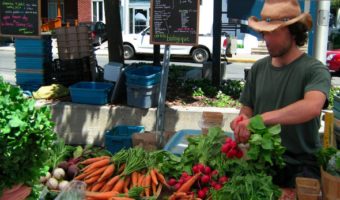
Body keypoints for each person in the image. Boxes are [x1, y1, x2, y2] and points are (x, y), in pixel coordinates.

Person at [230, 0, 331, 188]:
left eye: (273, 32)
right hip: (262, 160)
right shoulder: (258, 68)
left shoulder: (314, 69)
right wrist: (242, 122)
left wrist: (260, 120)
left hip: (303, 164)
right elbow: (247, 109)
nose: (266, 39)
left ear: (294, 31)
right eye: (264, 33)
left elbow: (312, 107)